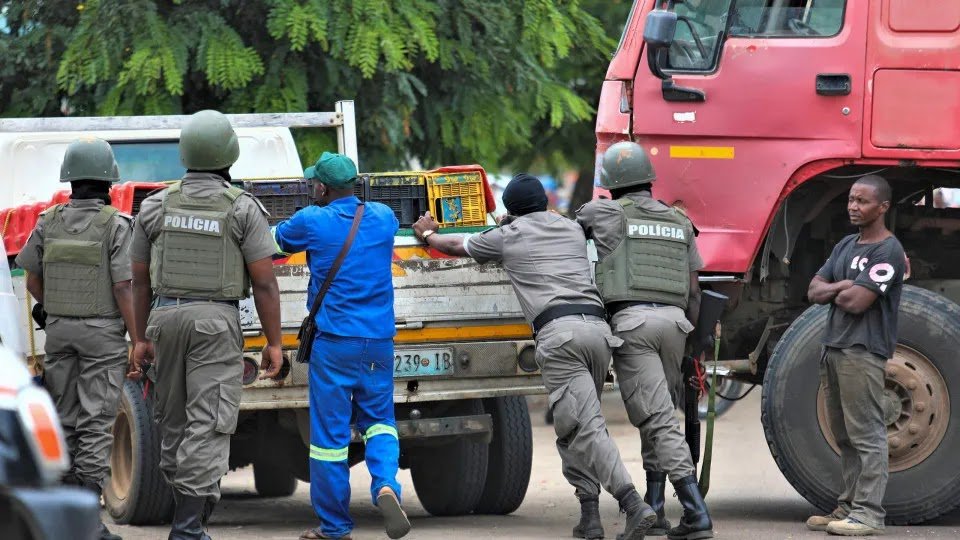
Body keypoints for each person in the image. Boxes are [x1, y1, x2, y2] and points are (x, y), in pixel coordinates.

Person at [413, 174, 657, 540]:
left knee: (586, 426)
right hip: (597, 331)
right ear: (544, 202)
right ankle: (589, 517)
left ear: (510, 210)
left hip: (560, 338)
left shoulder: (509, 236)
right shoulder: (571, 228)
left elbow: (455, 245)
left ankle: (632, 503)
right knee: (573, 427)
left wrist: (428, 234)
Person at [129, 110, 284, 540]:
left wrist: (139, 337)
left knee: (174, 422)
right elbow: (265, 283)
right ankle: (187, 528)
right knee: (209, 421)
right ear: (229, 154)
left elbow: (137, 279)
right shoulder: (242, 208)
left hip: (162, 318)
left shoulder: (156, 205)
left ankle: (192, 515)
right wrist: (274, 343)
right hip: (215, 323)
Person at [577, 142, 712, 540]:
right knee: (660, 413)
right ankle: (655, 506)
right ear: (649, 180)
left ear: (611, 185)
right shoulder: (679, 221)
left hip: (633, 324)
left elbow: (570, 234)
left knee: (658, 419)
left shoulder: (603, 211)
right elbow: (695, 291)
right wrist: (693, 343)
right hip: (675, 324)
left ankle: (696, 512)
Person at [273, 152, 410, 540]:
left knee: (330, 439)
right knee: (380, 420)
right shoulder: (383, 217)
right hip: (379, 342)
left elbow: (273, 242)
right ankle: (386, 484)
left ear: (321, 187)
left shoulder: (311, 221)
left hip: (334, 345)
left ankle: (335, 526)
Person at [15, 138, 135, 540]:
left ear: (70, 180)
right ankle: (87, 524)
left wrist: (59, 310)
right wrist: (137, 339)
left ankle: (61, 520)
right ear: (108, 181)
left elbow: (31, 279)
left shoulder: (48, 221)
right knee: (97, 423)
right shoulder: (116, 225)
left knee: (63, 421)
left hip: (60, 331)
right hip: (103, 334)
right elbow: (123, 287)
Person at [806, 174, 905, 537]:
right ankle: (847, 506)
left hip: (862, 352)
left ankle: (868, 514)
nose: (853, 206)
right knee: (845, 435)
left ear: (882, 207)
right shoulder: (846, 245)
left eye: (862, 201)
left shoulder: (888, 251)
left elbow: (857, 301)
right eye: (851, 199)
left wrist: (842, 289)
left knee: (867, 434)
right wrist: (843, 285)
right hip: (834, 348)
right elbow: (814, 290)